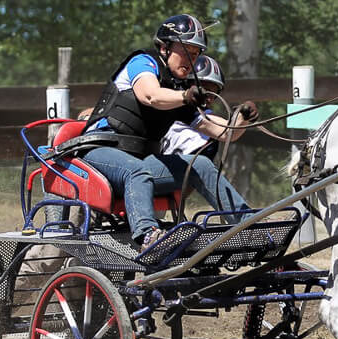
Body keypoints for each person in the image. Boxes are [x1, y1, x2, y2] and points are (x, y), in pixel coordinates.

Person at [81, 14, 259, 250]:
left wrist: (242, 118)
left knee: (200, 165)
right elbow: (151, 95)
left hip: (138, 162)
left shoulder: (178, 91)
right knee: (137, 171)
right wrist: (184, 96)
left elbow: (224, 133)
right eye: (185, 52)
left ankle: (249, 227)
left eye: (195, 54)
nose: (190, 60)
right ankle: (148, 236)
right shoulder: (143, 62)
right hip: (98, 152)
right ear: (164, 48)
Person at [161, 54, 226, 160]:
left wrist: (243, 118)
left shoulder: (209, 135)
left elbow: (227, 132)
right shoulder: (163, 109)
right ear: (186, 85)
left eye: (213, 94)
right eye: (205, 91)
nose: (209, 99)